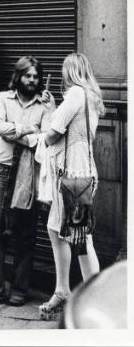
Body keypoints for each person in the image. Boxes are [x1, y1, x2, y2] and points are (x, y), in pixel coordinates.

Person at [0, 55, 55, 307]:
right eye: (28, 75)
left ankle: (19, 289)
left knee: (25, 234)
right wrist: (29, 130)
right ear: (19, 76)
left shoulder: (44, 105)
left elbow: (47, 138)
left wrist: (21, 131)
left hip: (28, 172)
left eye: (36, 76)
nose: (32, 80)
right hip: (3, 170)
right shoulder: (2, 98)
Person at [38, 52, 103, 321]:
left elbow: (54, 133)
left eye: (65, 71)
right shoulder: (91, 97)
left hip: (72, 175)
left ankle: (97, 299)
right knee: (58, 230)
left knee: (81, 238)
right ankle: (63, 290)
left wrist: (41, 132)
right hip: (78, 173)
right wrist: (54, 109)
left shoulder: (76, 94)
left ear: (71, 72)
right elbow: (68, 127)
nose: (63, 76)